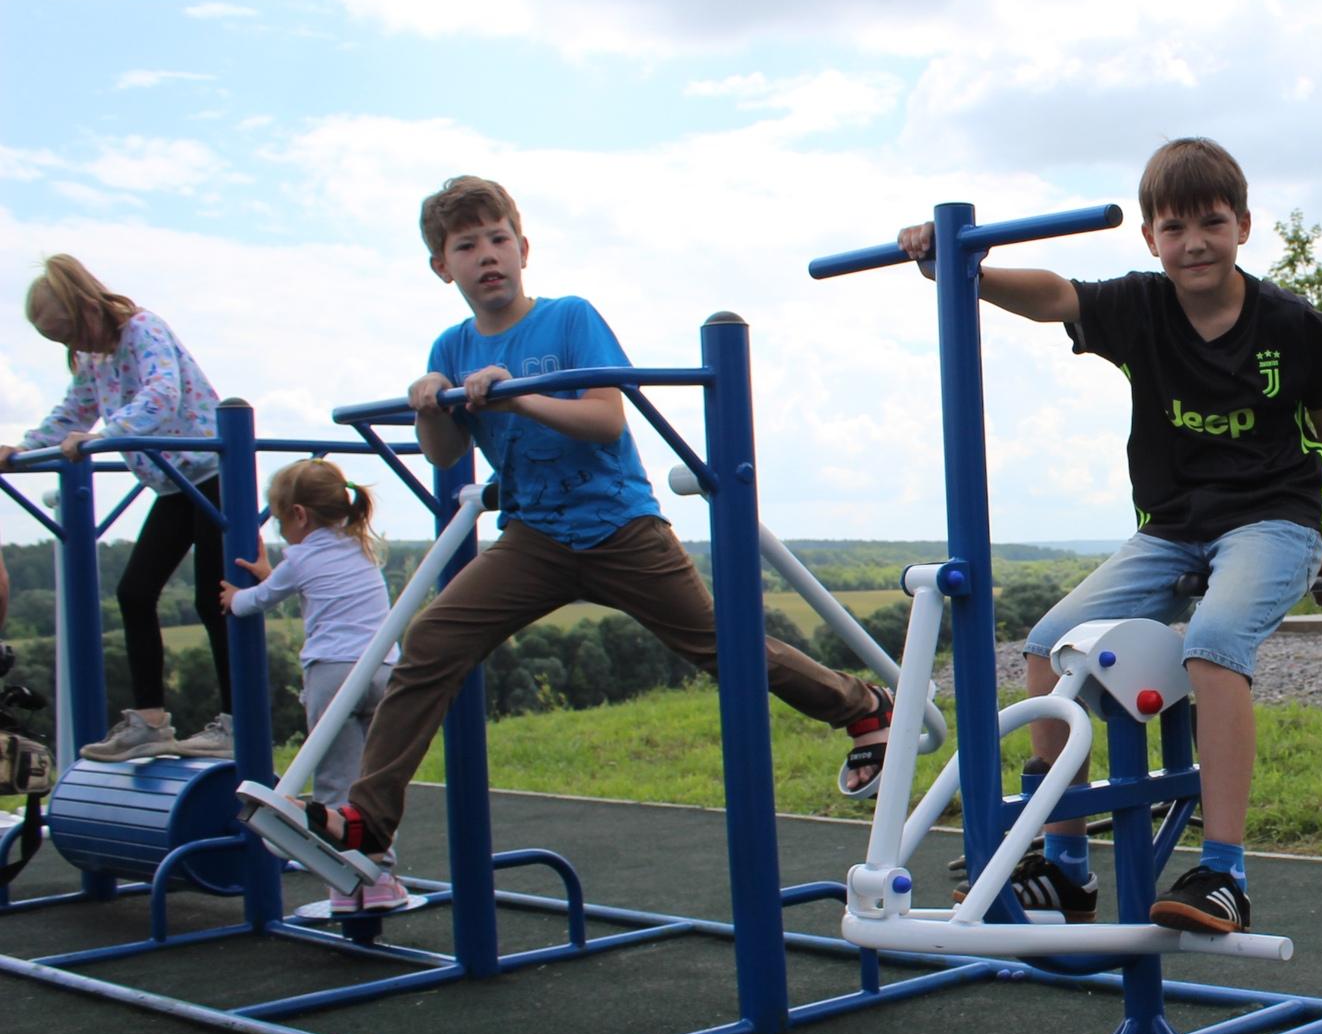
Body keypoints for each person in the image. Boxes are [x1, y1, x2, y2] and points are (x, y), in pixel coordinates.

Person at [288, 176, 892, 864]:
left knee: (720, 646)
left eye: (497, 239)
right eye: (466, 245)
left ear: (523, 248)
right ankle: (369, 819)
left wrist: (517, 399)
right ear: (441, 266)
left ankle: (862, 706)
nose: (486, 255)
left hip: (617, 525)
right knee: (430, 643)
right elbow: (447, 453)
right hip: (534, 536)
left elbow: (607, 419)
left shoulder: (569, 318)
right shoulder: (450, 347)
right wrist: (432, 405)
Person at [896, 137, 1322, 935]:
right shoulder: (1142, 307)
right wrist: (964, 271)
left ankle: (1225, 870)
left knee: (1212, 640)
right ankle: (1067, 868)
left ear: (1244, 225)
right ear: (1151, 239)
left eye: (1211, 222)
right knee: (1049, 642)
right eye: (1174, 227)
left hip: (1275, 517)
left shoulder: (1292, 324)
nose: (1194, 242)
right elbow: (1056, 296)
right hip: (1174, 527)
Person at [1, 256, 233, 762]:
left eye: (68, 332)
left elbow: (163, 395)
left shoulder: (142, 330)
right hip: (174, 485)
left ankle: (237, 725)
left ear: (85, 305)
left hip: (214, 473)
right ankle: (151, 723)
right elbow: (72, 412)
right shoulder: (94, 361)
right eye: (57, 342)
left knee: (214, 600)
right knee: (134, 592)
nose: (70, 347)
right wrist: (20, 448)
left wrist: (104, 436)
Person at [219, 459, 406, 911]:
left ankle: (345, 885)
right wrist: (275, 576)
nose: (282, 530)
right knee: (375, 785)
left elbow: (255, 602)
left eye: (280, 519)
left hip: (332, 676)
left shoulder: (299, 558)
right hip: (383, 671)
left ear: (299, 515)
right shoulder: (360, 548)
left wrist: (234, 597)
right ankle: (380, 878)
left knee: (335, 783)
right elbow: (317, 589)